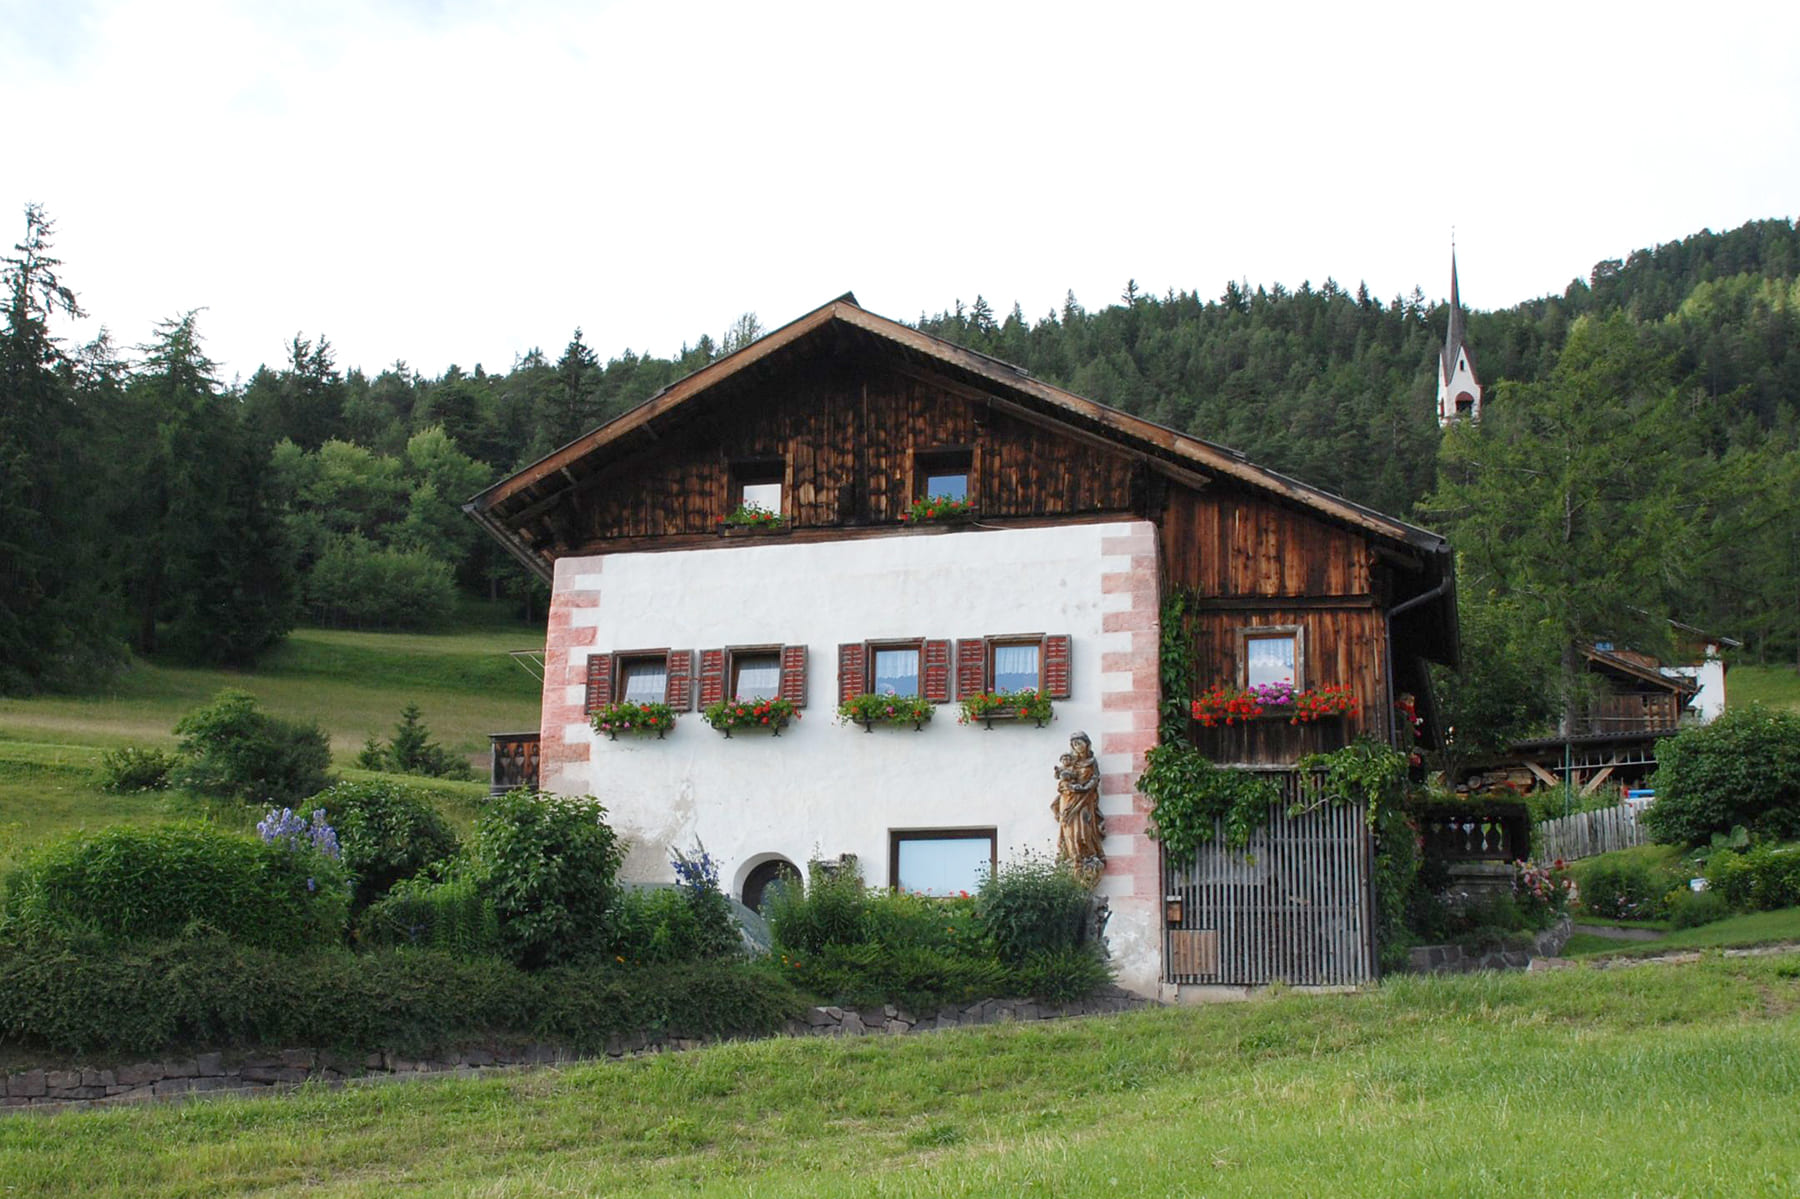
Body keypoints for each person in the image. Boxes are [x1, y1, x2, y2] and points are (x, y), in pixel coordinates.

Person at [1052, 731, 1103, 871]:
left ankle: (1087, 855)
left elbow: (1095, 778)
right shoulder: (1070, 762)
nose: (1077, 746)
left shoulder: (1091, 762)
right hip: (1068, 798)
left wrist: (1085, 787)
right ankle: (1072, 855)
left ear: (1087, 744)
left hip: (1084, 799)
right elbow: (1062, 777)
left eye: (1079, 743)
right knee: (1068, 826)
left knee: (1084, 827)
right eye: (1074, 744)